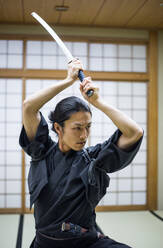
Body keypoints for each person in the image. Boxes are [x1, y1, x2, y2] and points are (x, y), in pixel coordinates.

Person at [19, 58, 143, 248]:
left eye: (88, 127)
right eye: (77, 128)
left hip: (87, 242)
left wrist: (98, 102)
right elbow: (29, 106)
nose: (84, 135)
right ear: (58, 128)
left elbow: (135, 132)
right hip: (46, 244)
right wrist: (68, 80)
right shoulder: (41, 152)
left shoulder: (93, 159)